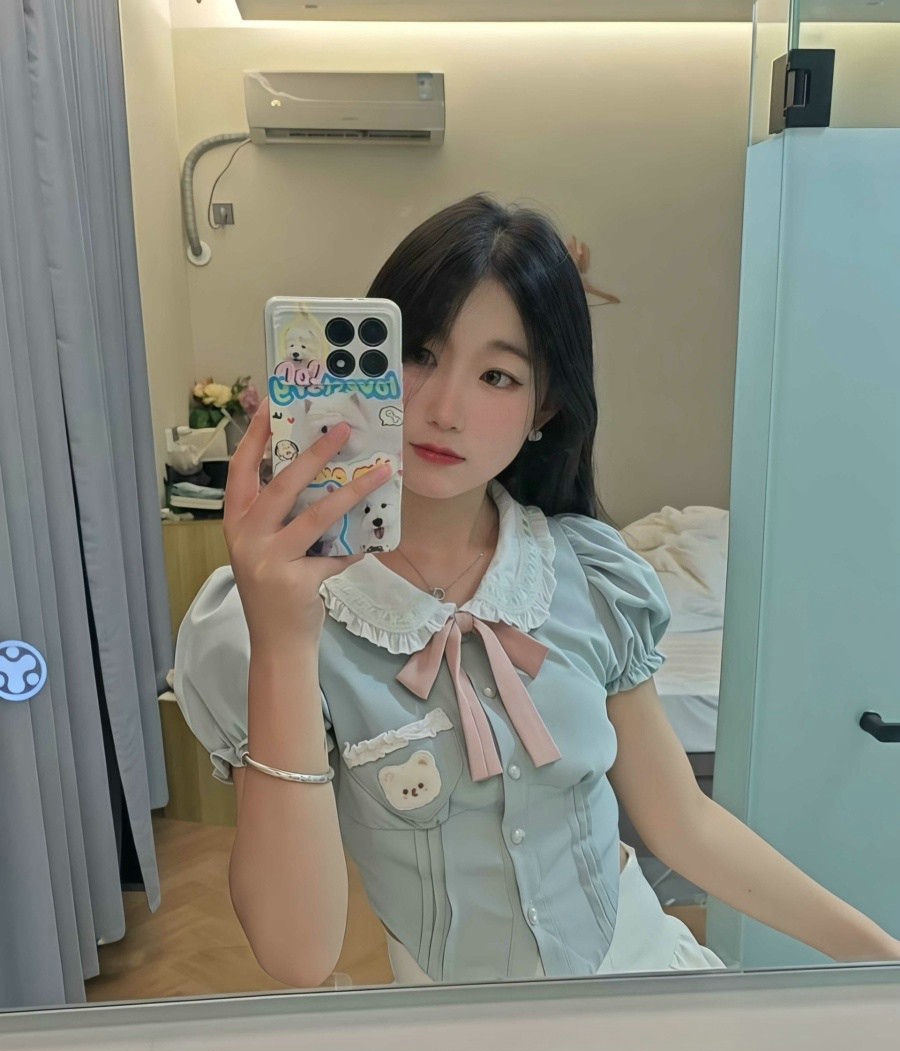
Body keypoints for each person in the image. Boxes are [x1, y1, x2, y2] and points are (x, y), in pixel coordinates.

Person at [174, 193, 900, 988]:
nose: (444, 409)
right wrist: (283, 641)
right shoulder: (283, 613)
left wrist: (877, 954)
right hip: (457, 1033)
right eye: (419, 354)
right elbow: (297, 955)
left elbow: (683, 823)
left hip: (643, 978)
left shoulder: (590, 577)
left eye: (497, 374)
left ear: (542, 408)